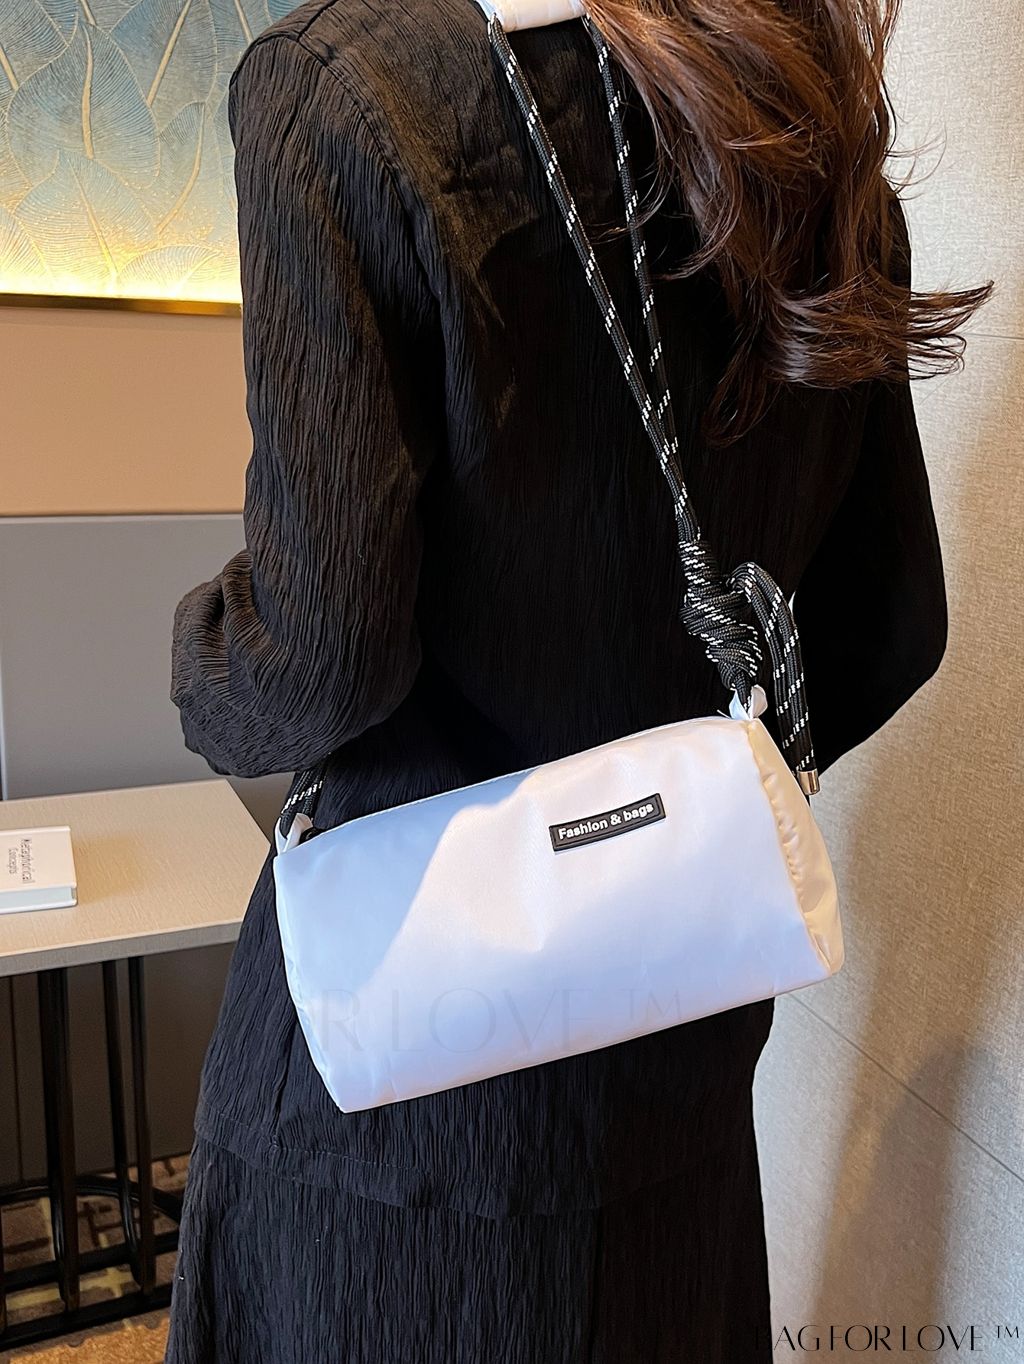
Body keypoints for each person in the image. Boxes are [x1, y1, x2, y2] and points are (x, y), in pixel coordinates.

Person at [165, 0, 990, 1358]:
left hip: (402, 1101)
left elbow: (323, 656)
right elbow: (888, 626)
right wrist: (682, 806)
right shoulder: (799, 137)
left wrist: (201, 657)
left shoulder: (344, 94)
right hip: (675, 1079)